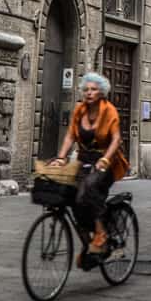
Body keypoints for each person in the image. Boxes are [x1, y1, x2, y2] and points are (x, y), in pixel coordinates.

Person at [51, 72, 129, 258]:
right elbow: (71, 135)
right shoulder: (80, 110)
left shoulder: (109, 110)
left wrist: (105, 160)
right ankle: (87, 242)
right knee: (69, 193)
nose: (89, 93)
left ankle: (101, 232)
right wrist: (61, 158)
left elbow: (116, 139)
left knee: (88, 189)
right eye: (86, 89)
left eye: (93, 89)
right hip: (83, 160)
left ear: (101, 92)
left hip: (105, 162)